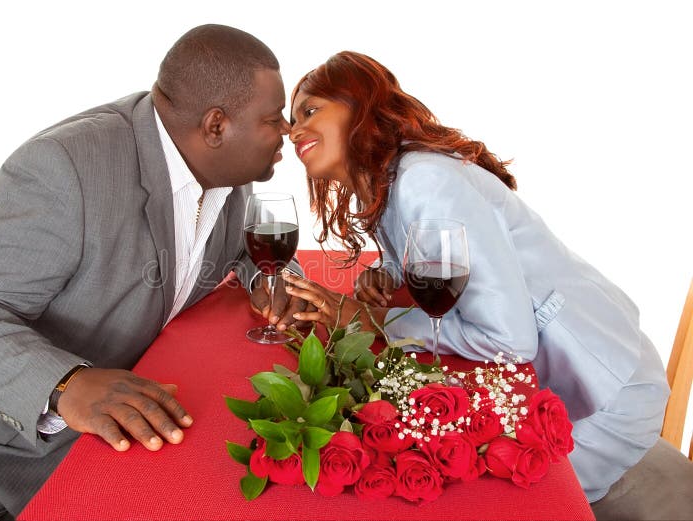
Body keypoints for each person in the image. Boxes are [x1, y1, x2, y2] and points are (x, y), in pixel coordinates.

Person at [0, 24, 308, 520]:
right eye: (272, 119)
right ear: (216, 126)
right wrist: (66, 384)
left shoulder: (225, 175)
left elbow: (247, 248)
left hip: (110, 436)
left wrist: (271, 280)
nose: (288, 131)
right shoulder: (63, 168)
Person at [281, 51, 693, 519]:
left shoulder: (424, 181)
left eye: (310, 111)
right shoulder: (395, 179)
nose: (294, 131)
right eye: (293, 120)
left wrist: (372, 318)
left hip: (600, 400)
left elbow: (508, 340)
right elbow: (441, 255)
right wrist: (387, 274)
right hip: (559, 378)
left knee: (446, 493)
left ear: (362, 106)